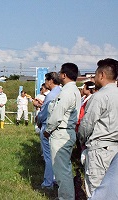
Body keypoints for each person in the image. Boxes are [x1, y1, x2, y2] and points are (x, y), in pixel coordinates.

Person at [78, 58, 118, 197]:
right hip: (115, 149)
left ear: (102, 75)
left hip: (100, 150)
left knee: (96, 191)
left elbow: (87, 124)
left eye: (95, 75)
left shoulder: (99, 96)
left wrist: (81, 140)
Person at [44, 63, 81, 200]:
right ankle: (66, 196)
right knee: (64, 168)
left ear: (64, 75)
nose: (59, 75)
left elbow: (57, 114)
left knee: (61, 171)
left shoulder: (66, 92)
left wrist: (48, 130)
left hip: (61, 133)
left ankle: (66, 197)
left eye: (60, 73)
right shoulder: (74, 90)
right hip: (67, 132)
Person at [36, 72, 61, 190]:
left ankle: (48, 182)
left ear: (50, 81)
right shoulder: (62, 92)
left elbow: (44, 114)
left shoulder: (51, 95)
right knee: (57, 156)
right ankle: (56, 179)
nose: (45, 83)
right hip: (60, 128)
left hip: (48, 127)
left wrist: (38, 119)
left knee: (48, 156)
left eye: (46, 81)